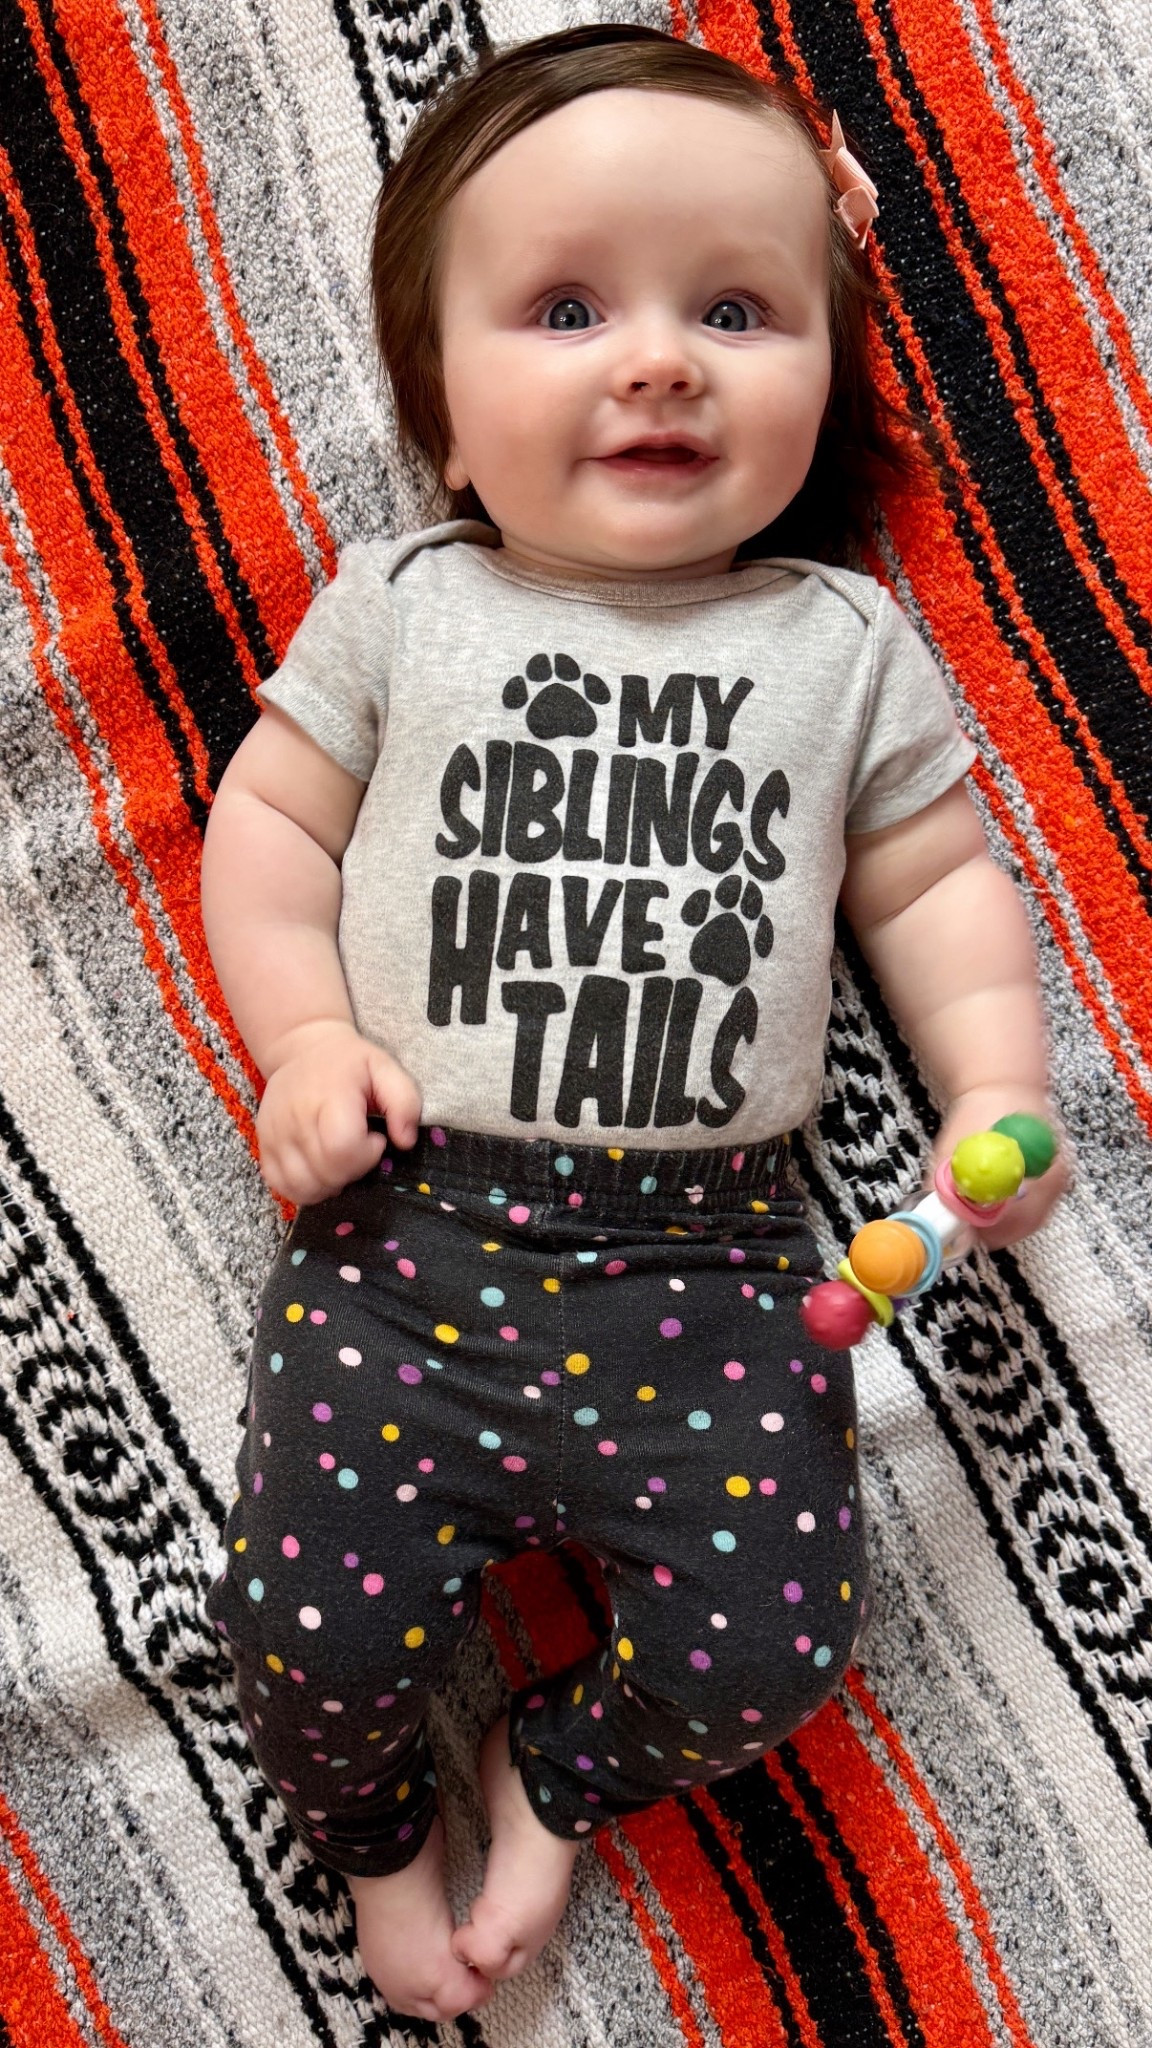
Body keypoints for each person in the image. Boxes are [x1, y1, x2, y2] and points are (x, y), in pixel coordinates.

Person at [200, 23, 1066, 2023]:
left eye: (739, 308)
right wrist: (308, 1043)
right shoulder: (408, 597)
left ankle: (554, 1771)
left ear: (831, 369)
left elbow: (935, 886)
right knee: (298, 1625)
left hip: (710, 1270)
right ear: (440, 397)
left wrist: (994, 1083)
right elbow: (267, 834)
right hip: (410, 1244)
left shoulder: (836, 638)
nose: (660, 359)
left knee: (777, 1637)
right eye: (570, 307)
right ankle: (380, 1835)